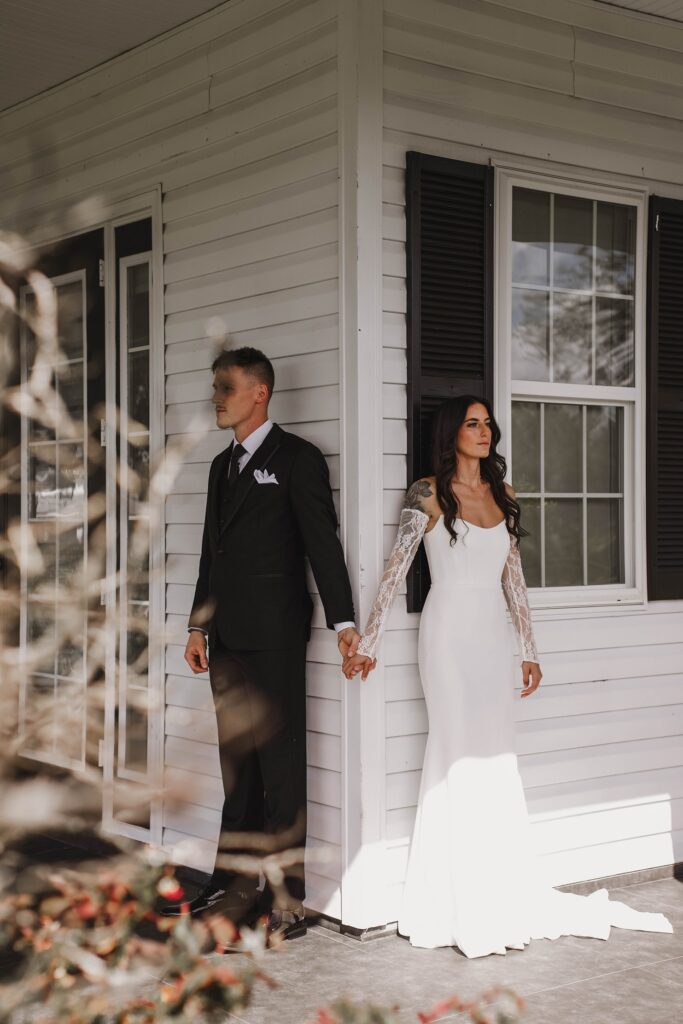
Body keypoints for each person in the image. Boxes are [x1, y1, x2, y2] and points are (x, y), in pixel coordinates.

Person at [343, 395, 672, 957]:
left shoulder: (504, 495)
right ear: (451, 433)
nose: (485, 431)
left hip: (492, 640)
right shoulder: (427, 493)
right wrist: (367, 642)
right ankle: (448, 904)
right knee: (455, 752)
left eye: (488, 423)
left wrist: (528, 648)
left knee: (495, 757)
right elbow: (396, 570)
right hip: (446, 636)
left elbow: (513, 579)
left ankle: (496, 893)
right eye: (473, 424)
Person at [167, 346, 360, 941]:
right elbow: (210, 555)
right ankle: (230, 885)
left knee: (280, 768)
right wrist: (199, 626)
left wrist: (345, 624)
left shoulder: (297, 459)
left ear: (260, 392)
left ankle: (287, 900)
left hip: (275, 638)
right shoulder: (220, 467)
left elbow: (321, 545)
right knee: (239, 769)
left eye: (227, 387)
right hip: (224, 640)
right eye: (215, 387)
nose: (216, 397)